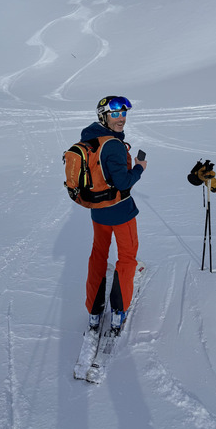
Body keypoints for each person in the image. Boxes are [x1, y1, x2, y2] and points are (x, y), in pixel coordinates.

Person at [81, 96, 147, 333]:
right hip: (121, 212)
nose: (121, 119)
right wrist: (139, 167)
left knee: (98, 256)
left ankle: (94, 312)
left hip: (98, 211)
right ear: (104, 116)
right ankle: (119, 311)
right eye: (115, 114)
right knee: (127, 257)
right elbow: (123, 182)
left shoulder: (89, 138)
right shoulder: (114, 145)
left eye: (124, 114)